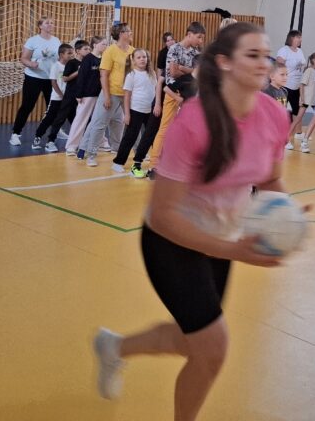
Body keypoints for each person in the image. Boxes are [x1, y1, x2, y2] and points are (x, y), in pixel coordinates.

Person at [92, 22, 298, 421]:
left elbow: (270, 179)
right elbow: (164, 215)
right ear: (224, 63)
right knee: (213, 348)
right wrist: (234, 249)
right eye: (252, 55)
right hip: (171, 240)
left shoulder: (274, 114)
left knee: (195, 343)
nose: (264, 63)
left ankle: (115, 348)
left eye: (266, 55)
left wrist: (285, 215)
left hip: (221, 239)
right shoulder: (195, 121)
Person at [148, 23, 206, 170]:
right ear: (189, 34)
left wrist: (182, 68)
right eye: (199, 37)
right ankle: (154, 164)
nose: (200, 41)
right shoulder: (175, 48)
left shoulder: (195, 52)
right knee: (165, 128)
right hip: (173, 93)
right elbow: (173, 73)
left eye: (202, 38)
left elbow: (197, 72)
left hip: (190, 94)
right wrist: (188, 71)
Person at [80, 23, 135, 167]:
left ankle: (138, 152)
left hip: (128, 94)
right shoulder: (110, 51)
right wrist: (106, 96)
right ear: (121, 34)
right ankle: (91, 155)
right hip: (112, 93)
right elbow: (103, 75)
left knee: (133, 123)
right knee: (99, 124)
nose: (131, 33)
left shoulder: (133, 51)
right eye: (128, 31)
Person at [9, 17, 62, 146]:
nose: (50, 24)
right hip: (33, 78)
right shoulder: (33, 40)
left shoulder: (56, 41)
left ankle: (56, 130)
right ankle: (15, 133)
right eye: (47, 23)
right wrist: (31, 64)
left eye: (52, 22)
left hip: (51, 79)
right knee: (27, 106)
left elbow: (58, 59)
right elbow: (24, 58)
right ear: (40, 26)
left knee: (54, 106)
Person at [112, 49, 161, 179]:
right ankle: (118, 162)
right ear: (133, 60)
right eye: (138, 57)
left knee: (152, 136)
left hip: (151, 110)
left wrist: (157, 105)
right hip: (136, 110)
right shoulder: (131, 75)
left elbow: (156, 90)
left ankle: (155, 161)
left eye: (144, 57)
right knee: (130, 137)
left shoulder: (152, 73)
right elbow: (127, 96)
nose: (142, 59)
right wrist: (127, 114)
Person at [32, 43, 73, 151]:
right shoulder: (56, 66)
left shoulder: (71, 66)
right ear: (61, 54)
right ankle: (38, 136)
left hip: (68, 98)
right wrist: (61, 95)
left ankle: (54, 140)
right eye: (69, 53)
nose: (71, 55)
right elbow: (53, 82)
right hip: (57, 98)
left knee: (71, 119)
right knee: (49, 118)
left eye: (72, 53)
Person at [69, 37, 105, 158]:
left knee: (99, 120)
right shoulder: (88, 59)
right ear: (95, 45)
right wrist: (79, 94)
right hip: (87, 95)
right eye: (103, 44)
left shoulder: (103, 59)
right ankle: (72, 145)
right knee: (81, 120)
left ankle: (101, 142)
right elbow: (82, 77)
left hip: (99, 94)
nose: (105, 46)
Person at [276, 30, 307, 143]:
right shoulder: (284, 50)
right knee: (281, 109)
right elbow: (278, 65)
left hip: (297, 85)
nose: (300, 39)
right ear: (292, 38)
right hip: (286, 85)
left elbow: (303, 65)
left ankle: (298, 132)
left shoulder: (300, 51)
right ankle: (281, 135)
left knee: (297, 110)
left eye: (300, 37)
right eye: (298, 37)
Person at [297, 52, 315, 150]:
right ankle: (288, 138)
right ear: (314, 60)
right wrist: (302, 98)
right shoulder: (309, 70)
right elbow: (301, 85)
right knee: (299, 117)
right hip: (306, 99)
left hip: (314, 100)